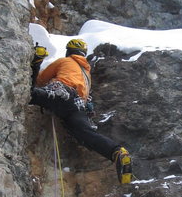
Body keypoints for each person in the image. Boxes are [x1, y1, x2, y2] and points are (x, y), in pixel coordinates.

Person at [30, 38, 132, 184]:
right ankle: (117, 152)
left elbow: (40, 80)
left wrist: (37, 65)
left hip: (61, 94)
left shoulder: (64, 62)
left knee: (27, 93)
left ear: (69, 51)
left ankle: (36, 59)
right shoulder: (87, 74)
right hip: (77, 107)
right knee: (87, 135)